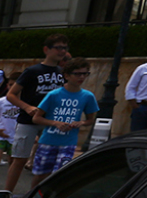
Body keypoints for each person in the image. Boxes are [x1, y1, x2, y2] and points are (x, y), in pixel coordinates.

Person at [5, 34, 70, 192]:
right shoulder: (32, 71)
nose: (62, 51)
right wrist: (26, 107)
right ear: (46, 50)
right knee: (20, 160)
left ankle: (38, 195)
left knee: (48, 162)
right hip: (28, 120)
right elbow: (11, 94)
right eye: (58, 47)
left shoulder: (63, 72)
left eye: (65, 48)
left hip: (51, 122)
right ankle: (6, 194)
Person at [30, 57, 98, 187]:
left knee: (59, 175)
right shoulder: (54, 94)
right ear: (66, 75)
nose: (81, 77)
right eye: (77, 74)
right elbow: (36, 117)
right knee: (40, 174)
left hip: (68, 142)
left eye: (85, 73)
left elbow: (90, 119)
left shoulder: (87, 96)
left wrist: (81, 123)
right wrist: (55, 123)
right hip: (48, 140)